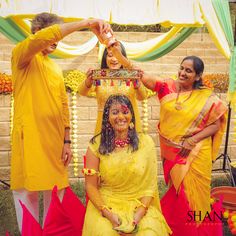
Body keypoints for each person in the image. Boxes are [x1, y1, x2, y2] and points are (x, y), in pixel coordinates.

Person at [10, 12, 111, 232]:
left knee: (56, 194)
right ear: (38, 33)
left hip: (55, 143)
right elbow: (42, 39)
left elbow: (63, 107)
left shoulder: (54, 68)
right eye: (52, 34)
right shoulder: (22, 55)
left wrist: (66, 140)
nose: (57, 40)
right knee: (27, 193)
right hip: (30, 139)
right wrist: (86, 23)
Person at [138, 56, 227, 235]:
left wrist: (192, 140)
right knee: (179, 193)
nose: (183, 73)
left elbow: (216, 125)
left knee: (194, 196)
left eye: (189, 70)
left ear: (198, 76)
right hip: (173, 151)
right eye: (182, 68)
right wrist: (117, 53)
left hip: (197, 152)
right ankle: (178, 228)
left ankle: (197, 231)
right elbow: (142, 75)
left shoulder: (206, 96)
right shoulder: (168, 87)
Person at [82, 94, 171, 236]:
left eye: (125, 112)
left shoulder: (146, 143)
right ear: (107, 117)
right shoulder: (96, 145)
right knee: (105, 233)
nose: (120, 117)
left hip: (139, 204)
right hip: (107, 203)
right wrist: (108, 214)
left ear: (131, 115)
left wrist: (138, 216)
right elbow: (91, 186)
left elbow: (150, 186)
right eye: (115, 112)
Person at [78, 42, 147, 134]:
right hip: (105, 127)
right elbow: (82, 92)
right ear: (105, 58)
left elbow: (142, 96)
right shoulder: (99, 77)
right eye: (110, 55)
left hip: (128, 125)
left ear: (124, 58)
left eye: (118, 56)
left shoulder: (131, 75)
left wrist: (138, 84)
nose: (114, 59)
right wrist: (88, 81)